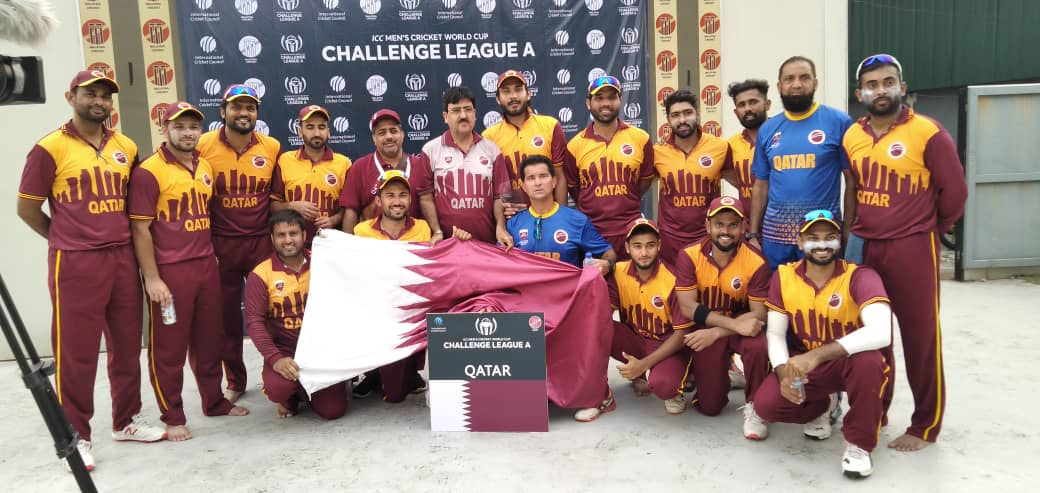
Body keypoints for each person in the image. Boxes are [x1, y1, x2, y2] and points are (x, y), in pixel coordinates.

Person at [16, 69, 165, 471]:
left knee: (127, 345)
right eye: (90, 94)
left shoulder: (125, 145)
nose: (99, 101)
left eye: (105, 95)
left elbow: (135, 205)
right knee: (76, 354)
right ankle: (76, 436)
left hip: (121, 257)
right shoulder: (49, 147)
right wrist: (64, 238)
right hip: (76, 261)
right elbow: (26, 208)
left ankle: (126, 420)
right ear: (71, 98)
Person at [843, 54, 968, 451]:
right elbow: (854, 189)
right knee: (873, 336)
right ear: (860, 93)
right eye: (872, 85)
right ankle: (875, 411)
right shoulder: (853, 135)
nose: (880, 90)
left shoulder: (928, 132)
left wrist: (931, 229)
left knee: (920, 339)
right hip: (867, 246)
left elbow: (955, 193)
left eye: (888, 82)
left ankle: (924, 426)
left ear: (902, 86)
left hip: (913, 247)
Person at [128, 101, 250, 442]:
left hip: (205, 265)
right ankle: (173, 415)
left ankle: (213, 401)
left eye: (193, 127)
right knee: (169, 349)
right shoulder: (148, 171)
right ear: (165, 129)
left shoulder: (205, 165)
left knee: (209, 340)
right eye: (179, 126)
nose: (187, 133)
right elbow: (140, 229)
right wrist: (152, 278)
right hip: (170, 271)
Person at [752, 210, 894, 479]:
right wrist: (783, 373)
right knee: (767, 406)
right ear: (800, 241)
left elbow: (882, 331)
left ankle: (859, 445)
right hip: (806, 365)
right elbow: (776, 334)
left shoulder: (859, 275)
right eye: (813, 237)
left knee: (870, 361)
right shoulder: (784, 276)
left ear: (840, 240)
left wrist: (817, 355)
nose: (822, 244)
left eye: (830, 237)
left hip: (847, 363)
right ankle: (823, 405)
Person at [197, 83, 282, 402]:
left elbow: (275, 198)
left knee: (273, 313)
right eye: (236, 107)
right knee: (226, 319)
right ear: (223, 111)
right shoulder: (203, 144)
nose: (243, 113)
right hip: (221, 244)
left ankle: (277, 375)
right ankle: (235, 380)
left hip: (260, 242)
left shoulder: (271, 146)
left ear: (257, 113)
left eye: (250, 107)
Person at [673, 197, 772, 437]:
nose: (725, 231)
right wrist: (726, 328)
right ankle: (728, 374)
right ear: (708, 226)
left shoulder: (756, 261)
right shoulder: (689, 255)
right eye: (719, 224)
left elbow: (759, 313)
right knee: (710, 407)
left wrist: (719, 331)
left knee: (758, 345)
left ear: (743, 227)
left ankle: (756, 406)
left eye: (732, 225)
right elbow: (687, 307)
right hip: (710, 328)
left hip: (731, 327)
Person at [749, 56, 855, 269]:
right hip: (776, 237)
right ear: (779, 86)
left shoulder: (839, 122)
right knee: (779, 289)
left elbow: (851, 182)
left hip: (822, 236)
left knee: (823, 289)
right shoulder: (768, 129)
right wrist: (752, 233)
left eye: (804, 78)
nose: (796, 84)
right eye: (789, 79)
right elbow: (761, 185)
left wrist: (847, 230)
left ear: (815, 83)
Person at [244, 209, 347, 419]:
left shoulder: (322, 262)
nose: (288, 240)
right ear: (272, 239)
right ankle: (289, 396)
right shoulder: (261, 274)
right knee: (278, 389)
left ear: (304, 235)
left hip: (320, 349)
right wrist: (276, 359)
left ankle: (307, 389)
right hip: (285, 349)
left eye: (293, 233)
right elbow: (254, 322)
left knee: (333, 411)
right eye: (281, 235)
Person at [608, 218, 693, 415]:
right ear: (627, 248)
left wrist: (643, 365)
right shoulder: (618, 272)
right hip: (636, 340)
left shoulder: (672, 279)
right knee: (600, 328)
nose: (644, 253)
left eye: (650, 245)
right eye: (637, 246)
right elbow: (603, 313)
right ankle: (603, 391)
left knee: (664, 386)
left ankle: (677, 380)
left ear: (659, 246)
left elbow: (682, 335)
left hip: (667, 346)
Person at [564, 75, 654, 259]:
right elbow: (574, 189)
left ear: (620, 100)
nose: (606, 103)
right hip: (592, 233)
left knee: (632, 278)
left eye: (612, 97)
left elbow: (644, 182)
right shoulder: (575, 145)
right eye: (599, 98)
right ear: (588, 103)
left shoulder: (640, 138)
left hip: (631, 229)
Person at [421, 86, 512, 245]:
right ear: (445, 117)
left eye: (468, 109)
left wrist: (501, 227)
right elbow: (425, 197)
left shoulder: (492, 150)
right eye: (456, 110)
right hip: (447, 244)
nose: (463, 115)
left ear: (475, 114)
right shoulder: (430, 150)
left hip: (487, 244)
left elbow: (500, 196)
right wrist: (436, 231)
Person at [653, 89, 734, 264]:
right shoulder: (657, 151)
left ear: (697, 113)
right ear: (668, 119)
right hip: (670, 240)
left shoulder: (720, 146)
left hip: (707, 237)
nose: (682, 120)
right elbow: (639, 187)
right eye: (675, 115)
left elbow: (741, 184)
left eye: (687, 113)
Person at [338, 109, 439, 238]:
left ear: (402, 134)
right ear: (374, 139)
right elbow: (350, 210)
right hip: (373, 242)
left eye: (393, 131)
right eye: (382, 133)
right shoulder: (360, 167)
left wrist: (436, 232)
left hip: (412, 240)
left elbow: (429, 202)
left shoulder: (420, 165)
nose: (389, 137)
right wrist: (347, 243)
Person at [506, 155, 615, 273]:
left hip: (569, 285)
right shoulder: (513, 224)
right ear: (524, 186)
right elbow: (500, 261)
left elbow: (607, 252)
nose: (537, 183)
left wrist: (607, 264)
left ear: (554, 182)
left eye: (543, 176)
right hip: (528, 285)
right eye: (531, 178)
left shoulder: (577, 220)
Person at [482, 69, 569, 211]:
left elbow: (560, 177)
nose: (513, 96)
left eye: (518, 89)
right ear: (498, 99)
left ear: (528, 94)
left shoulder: (550, 126)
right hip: (511, 217)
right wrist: (502, 212)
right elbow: (490, 187)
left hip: (548, 214)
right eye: (506, 91)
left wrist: (561, 216)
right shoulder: (488, 137)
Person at [271, 105, 351, 246]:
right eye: (310, 127)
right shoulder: (285, 160)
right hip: (293, 245)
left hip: (330, 243)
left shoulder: (344, 164)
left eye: (321, 127)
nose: (316, 133)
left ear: (328, 132)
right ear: (300, 132)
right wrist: (292, 206)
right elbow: (272, 206)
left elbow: (349, 208)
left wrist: (334, 220)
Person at [726, 79, 772, 203]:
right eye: (741, 105)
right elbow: (728, 174)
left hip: (781, 214)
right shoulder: (731, 145)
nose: (747, 109)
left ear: (767, 104)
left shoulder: (784, 136)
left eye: (753, 102)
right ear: (736, 112)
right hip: (747, 215)